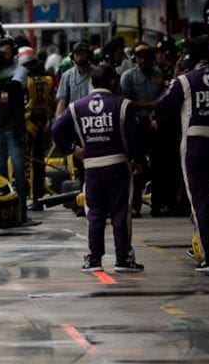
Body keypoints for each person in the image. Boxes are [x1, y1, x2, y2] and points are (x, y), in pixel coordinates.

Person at [155, 37, 209, 272]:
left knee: (200, 200)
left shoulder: (184, 81)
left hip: (195, 147)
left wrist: (174, 78)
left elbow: (162, 107)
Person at [53, 64, 144, 272]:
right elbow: (134, 138)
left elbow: (56, 128)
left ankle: (94, 259)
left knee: (94, 213)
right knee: (121, 212)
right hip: (118, 165)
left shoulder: (77, 107)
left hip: (91, 167)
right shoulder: (123, 105)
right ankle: (123, 259)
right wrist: (138, 160)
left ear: (91, 82)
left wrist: (72, 148)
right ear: (113, 82)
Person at [0, 37, 30, 222]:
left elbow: (15, 86)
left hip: (14, 128)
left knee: (19, 171)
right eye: (0, 53)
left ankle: (22, 212)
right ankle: (4, 212)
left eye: (6, 53)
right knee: (0, 172)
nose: (2, 56)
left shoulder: (19, 69)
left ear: (13, 53)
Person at [119, 43, 166, 215]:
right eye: (140, 57)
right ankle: (134, 205)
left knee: (158, 165)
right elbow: (126, 104)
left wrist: (154, 112)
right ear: (135, 59)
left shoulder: (159, 75)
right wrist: (150, 105)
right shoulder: (127, 77)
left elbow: (163, 99)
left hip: (155, 123)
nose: (144, 60)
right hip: (135, 125)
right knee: (136, 166)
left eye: (147, 56)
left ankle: (158, 204)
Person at [22, 53, 55, 208]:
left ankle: (34, 197)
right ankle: (39, 195)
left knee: (30, 162)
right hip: (44, 124)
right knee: (39, 162)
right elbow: (51, 102)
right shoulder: (49, 80)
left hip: (29, 125)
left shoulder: (26, 82)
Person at [55, 41, 93, 118]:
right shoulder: (67, 75)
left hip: (91, 116)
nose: (80, 57)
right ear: (73, 56)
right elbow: (62, 101)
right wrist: (58, 121)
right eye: (77, 54)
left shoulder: (96, 73)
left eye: (83, 54)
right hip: (73, 117)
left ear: (88, 55)